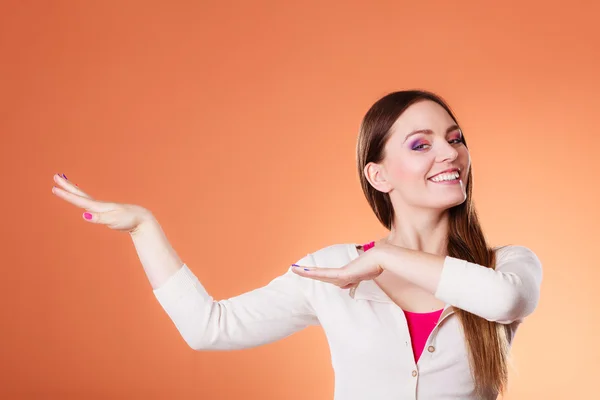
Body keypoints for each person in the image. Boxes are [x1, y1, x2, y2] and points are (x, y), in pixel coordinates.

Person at [51, 90, 542, 400]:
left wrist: (384, 256)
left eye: (456, 139)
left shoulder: (506, 266)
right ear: (378, 175)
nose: (449, 153)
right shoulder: (329, 269)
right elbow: (210, 328)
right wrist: (144, 228)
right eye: (421, 144)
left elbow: (505, 301)